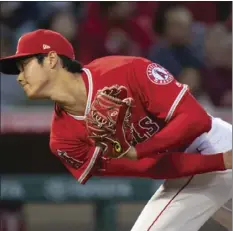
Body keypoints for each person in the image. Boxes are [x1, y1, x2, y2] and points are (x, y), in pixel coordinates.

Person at [0, 29, 232, 231]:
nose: (20, 77)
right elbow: (151, 167)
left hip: (210, 142)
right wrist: (220, 162)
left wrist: (140, 149)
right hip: (196, 166)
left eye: (24, 66)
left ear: (51, 59)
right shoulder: (64, 141)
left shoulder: (124, 70)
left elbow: (197, 120)